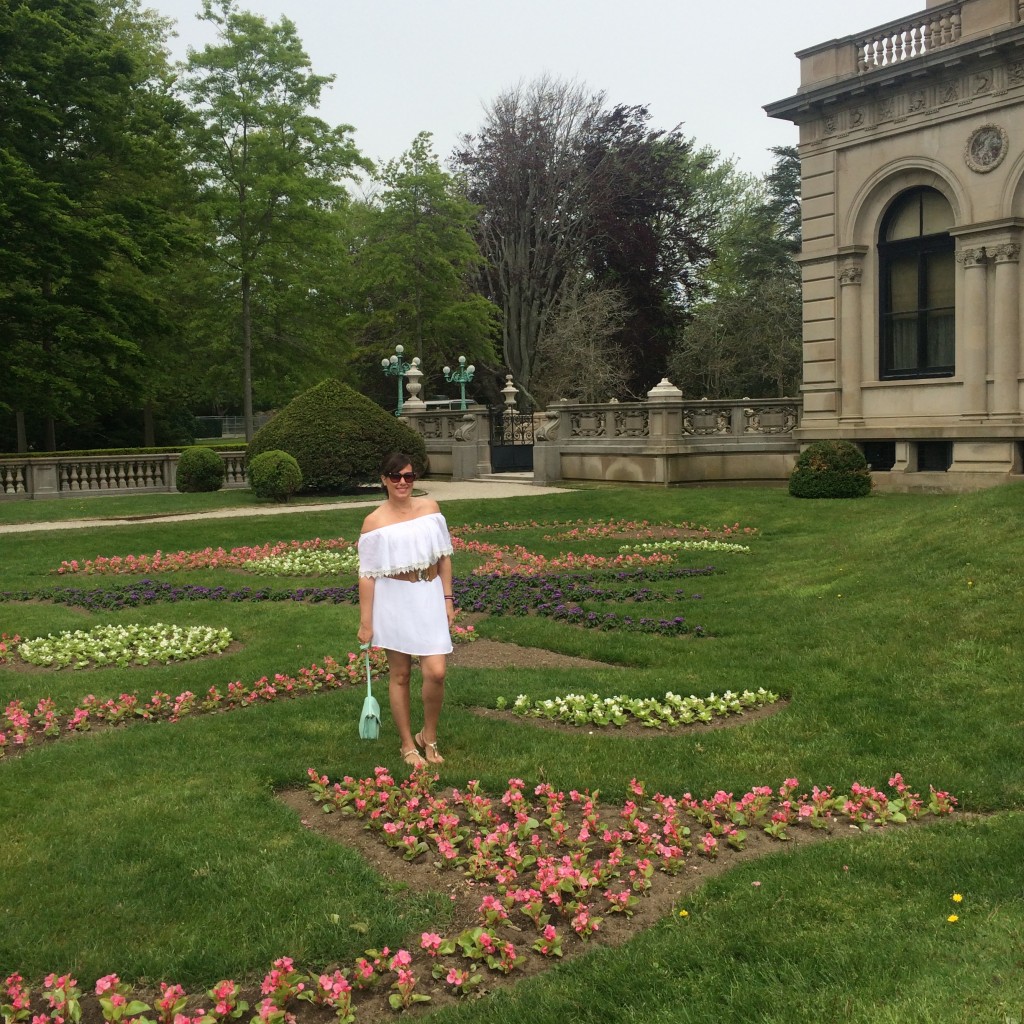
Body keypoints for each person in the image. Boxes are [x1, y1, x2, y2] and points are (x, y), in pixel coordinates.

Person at [357, 452, 456, 768]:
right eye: (396, 476)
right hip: (394, 600)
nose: (403, 482)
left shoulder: (430, 510)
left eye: (409, 476)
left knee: (436, 672)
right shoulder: (374, 522)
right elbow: (367, 575)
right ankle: (406, 745)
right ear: (384, 479)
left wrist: (448, 599)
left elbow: (443, 557)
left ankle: (428, 735)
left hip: (428, 595)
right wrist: (366, 622)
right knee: (400, 675)